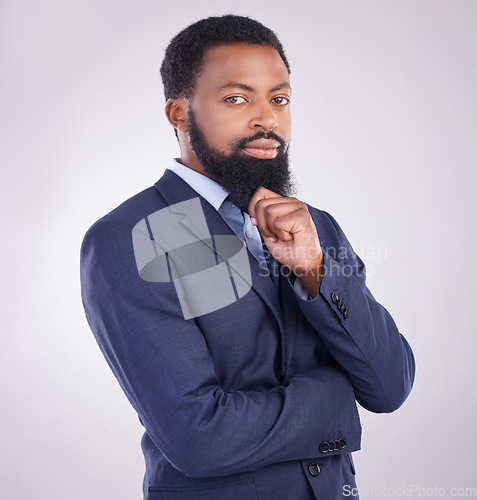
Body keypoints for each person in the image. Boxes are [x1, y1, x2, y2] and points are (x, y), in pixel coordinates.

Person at [80, 14, 415, 500]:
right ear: (178, 113)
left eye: (279, 99)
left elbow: (390, 385)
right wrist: (337, 396)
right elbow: (199, 437)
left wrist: (315, 272)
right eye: (237, 99)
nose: (268, 119)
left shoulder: (314, 225)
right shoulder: (130, 236)